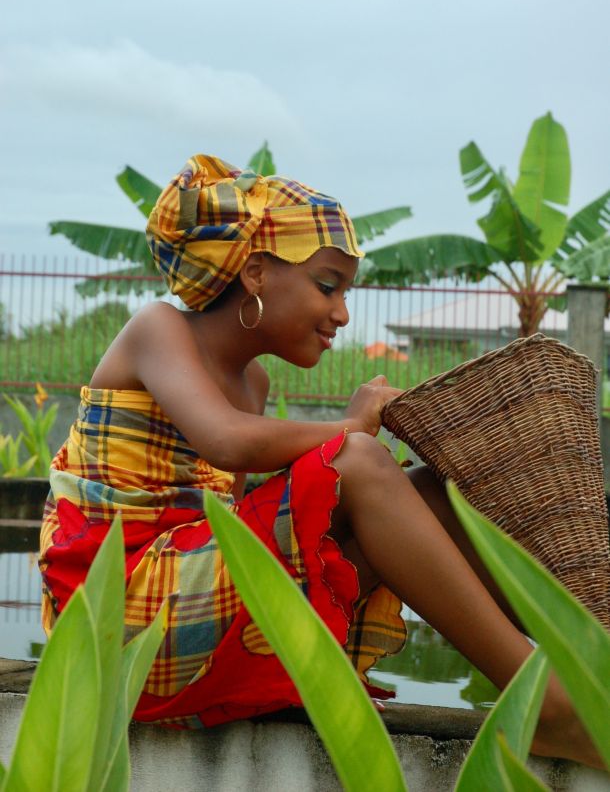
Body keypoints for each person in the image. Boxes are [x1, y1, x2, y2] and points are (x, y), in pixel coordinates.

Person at [39, 154, 603, 769]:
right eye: (327, 286)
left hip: (198, 608)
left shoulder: (253, 383)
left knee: (436, 497)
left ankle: (588, 671)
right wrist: (352, 427)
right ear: (256, 273)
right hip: (118, 620)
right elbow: (226, 441)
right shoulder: (159, 329)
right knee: (355, 463)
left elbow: (240, 523)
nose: (342, 313)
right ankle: (551, 711)